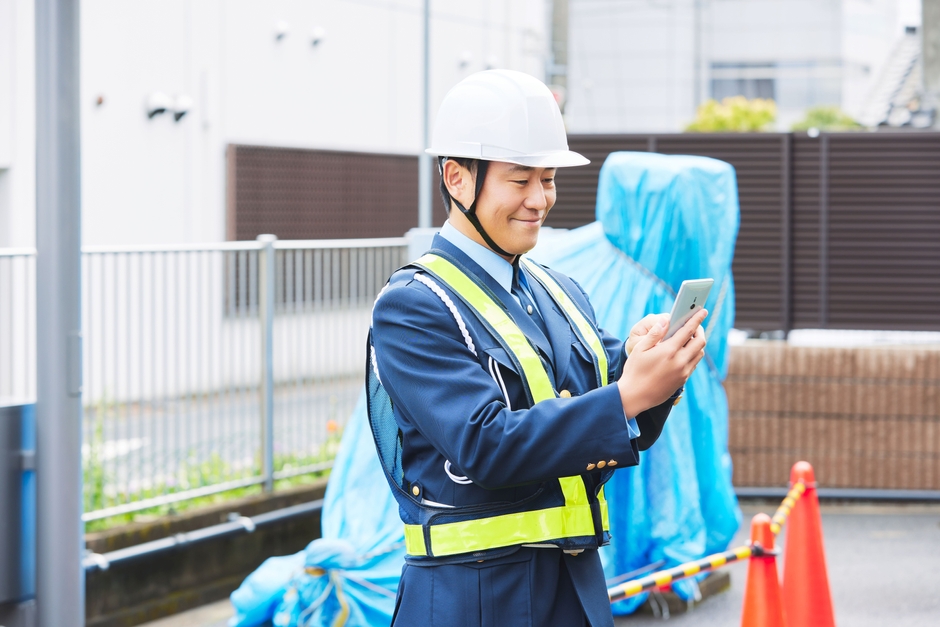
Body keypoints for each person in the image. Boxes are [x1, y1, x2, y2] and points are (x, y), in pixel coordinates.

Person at [366, 69, 707, 627]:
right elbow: (485, 444)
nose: (539, 199)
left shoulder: (559, 288)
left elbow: (612, 419)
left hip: (575, 586)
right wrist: (627, 395)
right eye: (520, 179)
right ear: (456, 178)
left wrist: (652, 370)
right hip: (472, 597)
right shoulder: (414, 304)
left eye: (547, 179)